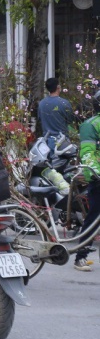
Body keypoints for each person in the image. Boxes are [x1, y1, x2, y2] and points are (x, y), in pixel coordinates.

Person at [73, 89, 100, 272]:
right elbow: (88, 155)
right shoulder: (90, 126)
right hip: (98, 179)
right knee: (94, 219)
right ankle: (80, 257)